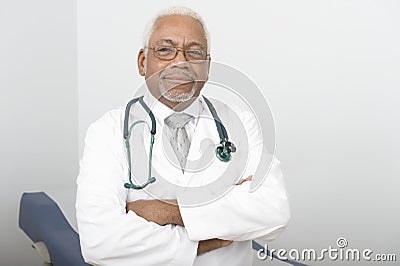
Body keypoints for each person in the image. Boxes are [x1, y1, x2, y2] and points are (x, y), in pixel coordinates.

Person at [76, 6, 290, 266]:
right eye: (165, 50)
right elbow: (100, 243)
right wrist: (212, 234)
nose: (180, 62)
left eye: (195, 52)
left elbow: (273, 212)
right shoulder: (107, 132)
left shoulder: (239, 123)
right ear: (143, 62)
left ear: (207, 66)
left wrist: (166, 211)